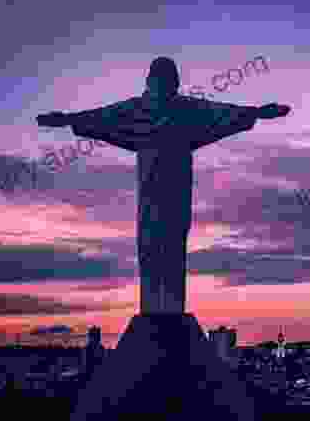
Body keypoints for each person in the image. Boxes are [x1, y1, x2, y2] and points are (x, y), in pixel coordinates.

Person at [37, 57, 290, 314]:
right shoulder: (136, 109)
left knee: (173, 240)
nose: (165, 85)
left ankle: (170, 306)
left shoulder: (187, 109)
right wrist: (68, 120)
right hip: (150, 187)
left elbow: (220, 112)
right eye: (161, 79)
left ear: (175, 83)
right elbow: (104, 116)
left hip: (177, 184)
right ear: (150, 81)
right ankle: (154, 307)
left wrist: (257, 113)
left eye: (170, 80)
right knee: (149, 241)